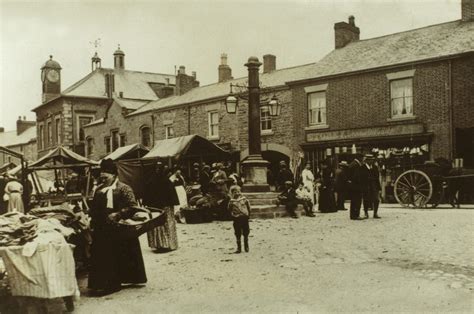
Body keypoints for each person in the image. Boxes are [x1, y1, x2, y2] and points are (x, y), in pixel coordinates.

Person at [88, 159, 147, 296]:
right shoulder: (98, 189)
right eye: (101, 176)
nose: (103, 178)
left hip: (118, 227)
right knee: (102, 255)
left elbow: (133, 206)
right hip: (102, 227)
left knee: (116, 254)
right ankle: (100, 283)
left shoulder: (124, 188)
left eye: (106, 176)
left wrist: (119, 214)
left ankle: (113, 284)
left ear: (114, 175)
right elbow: (95, 208)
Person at [142, 161, 179, 252]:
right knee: (166, 224)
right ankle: (167, 244)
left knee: (156, 225)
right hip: (165, 207)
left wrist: (147, 204)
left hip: (154, 208)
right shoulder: (167, 181)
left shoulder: (150, 180)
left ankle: (158, 244)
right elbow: (172, 195)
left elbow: (146, 195)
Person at [227, 185, 251, 253]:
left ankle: (246, 246)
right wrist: (232, 215)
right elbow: (229, 209)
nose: (237, 193)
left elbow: (249, 207)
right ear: (232, 193)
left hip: (244, 217)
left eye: (238, 191)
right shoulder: (231, 201)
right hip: (236, 218)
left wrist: (248, 214)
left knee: (246, 232)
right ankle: (239, 248)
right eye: (235, 192)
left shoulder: (244, 199)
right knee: (237, 232)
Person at [362, 154, 382, 219]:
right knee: (366, 199)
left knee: (376, 199)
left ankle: (375, 213)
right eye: (370, 160)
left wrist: (379, 187)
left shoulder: (375, 167)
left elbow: (377, 178)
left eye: (372, 160)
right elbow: (361, 178)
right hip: (366, 186)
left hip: (374, 186)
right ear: (366, 161)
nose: (371, 161)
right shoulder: (362, 168)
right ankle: (366, 213)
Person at [348, 154, 364, 220]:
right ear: (359, 158)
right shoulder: (356, 165)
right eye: (362, 158)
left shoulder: (352, 164)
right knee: (357, 200)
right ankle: (356, 215)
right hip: (356, 186)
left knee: (353, 201)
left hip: (352, 185)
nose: (363, 160)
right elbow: (356, 176)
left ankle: (353, 215)